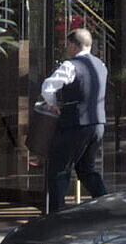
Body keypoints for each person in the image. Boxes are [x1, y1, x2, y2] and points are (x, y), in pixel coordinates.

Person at [37, 26, 107, 215]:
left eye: (68, 44)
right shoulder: (101, 66)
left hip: (75, 124)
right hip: (98, 125)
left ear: (73, 45)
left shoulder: (71, 65)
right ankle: (106, 207)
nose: (67, 48)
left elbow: (48, 87)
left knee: (59, 170)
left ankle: (56, 215)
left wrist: (52, 105)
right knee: (86, 170)